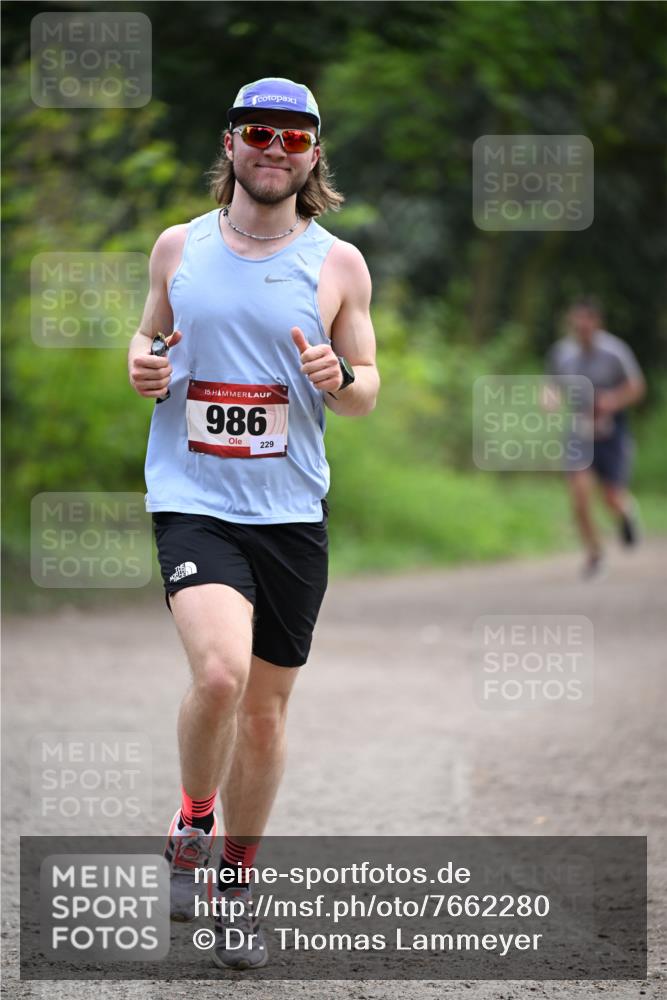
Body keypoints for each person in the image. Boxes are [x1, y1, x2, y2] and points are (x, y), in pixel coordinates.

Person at [127, 76, 380, 970]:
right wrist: (142, 362)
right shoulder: (179, 246)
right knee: (223, 676)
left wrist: (337, 381)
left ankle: (236, 879)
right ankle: (193, 819)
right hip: (193, 499)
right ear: (231, 143)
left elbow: (366, 386)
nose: (275, 149)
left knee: (266, 720)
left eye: (294, 138)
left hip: (288, 513)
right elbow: (150, 336)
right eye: (258, 132)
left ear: (313, 155)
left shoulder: (338, 263)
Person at [546, 296, 645, 578]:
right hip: (580, 429)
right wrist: (550, 401)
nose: (581, 327)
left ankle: (626, 513)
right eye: (576, 322)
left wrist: (611, 401)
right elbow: (550, 385)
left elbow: (636, 387)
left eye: (587, 321)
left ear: (596, 323)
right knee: (579, 494)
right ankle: (594, 554)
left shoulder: (616, 352)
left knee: (611, 495)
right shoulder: (561, 353)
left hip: (612, 430)